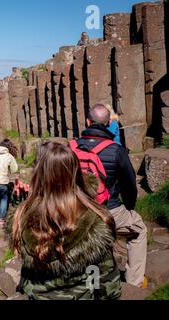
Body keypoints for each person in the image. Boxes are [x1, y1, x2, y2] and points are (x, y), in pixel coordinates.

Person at [11, 142, 121, 300]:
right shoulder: (95, 223)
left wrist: (19, 200)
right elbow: (108, 286)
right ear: (76, 174)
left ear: (38, 175)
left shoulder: (21, 218)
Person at [77, 103, 147, 288]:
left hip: (78, 211)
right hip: (110, 209)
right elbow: (129, 185)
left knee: (89, 240)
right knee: (139, 230)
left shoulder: (71, 147)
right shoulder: (117, 150)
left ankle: (91, 284)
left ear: (87, 121)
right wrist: (130, 208)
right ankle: (134, 282)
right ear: (109, 124)